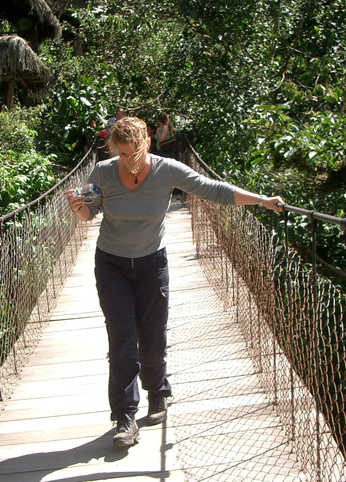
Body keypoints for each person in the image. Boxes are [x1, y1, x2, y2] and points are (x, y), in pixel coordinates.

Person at [66, 117, 284, 449]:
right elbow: (88, 214)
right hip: (112, 264)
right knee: (122, 339)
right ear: (112, 149)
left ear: (147, 144)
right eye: (121, 154)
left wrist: (261, 200)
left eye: (133, 153)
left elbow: (212, 189)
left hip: (152, 261)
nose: (128, 161)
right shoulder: (103, 172)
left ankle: (157, 393)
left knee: (153, 332)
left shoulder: (167, 169)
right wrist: (78, 207)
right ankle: (124, 417)